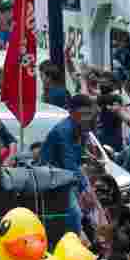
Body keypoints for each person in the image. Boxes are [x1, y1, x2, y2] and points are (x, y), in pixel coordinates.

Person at [40, 94, 94, 236]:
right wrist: (84, 187)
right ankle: (74, 243)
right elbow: (69, 162)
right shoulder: (63, 130)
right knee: (75, 214)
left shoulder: (82, 129)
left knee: (89, 210)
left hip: (67, 176)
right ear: (71, 113)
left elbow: (79, 159)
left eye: (89, 114)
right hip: (52, 178)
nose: (86, 118)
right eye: (82, 114)